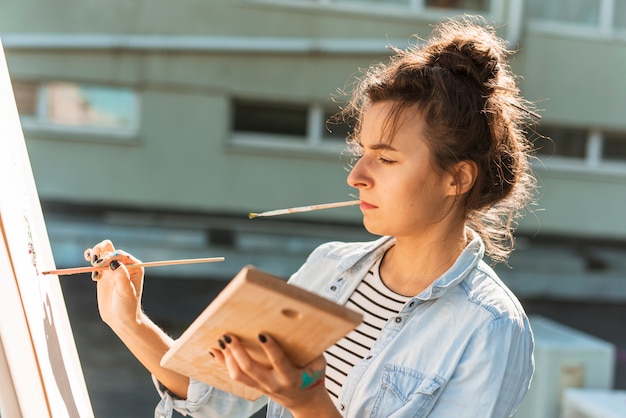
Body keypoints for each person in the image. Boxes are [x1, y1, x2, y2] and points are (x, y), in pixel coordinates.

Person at [86, 16, 537, 418]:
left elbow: (303, 399)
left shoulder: (490, 329)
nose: (357, 176)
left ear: (456, 178)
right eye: (362, 153)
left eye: (387, 159)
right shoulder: (328, 267)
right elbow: (219, 400)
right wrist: (129, 320)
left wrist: (308, 403)